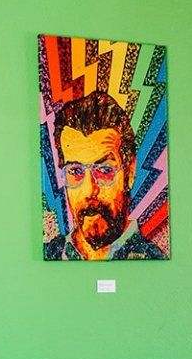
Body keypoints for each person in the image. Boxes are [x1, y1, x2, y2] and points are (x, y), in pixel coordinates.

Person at [45, 90, 164, 260]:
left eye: (105, 170)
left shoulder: (153, 261)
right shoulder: (51, 255)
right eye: (75, 171)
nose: (89, 190)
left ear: (130, 172)